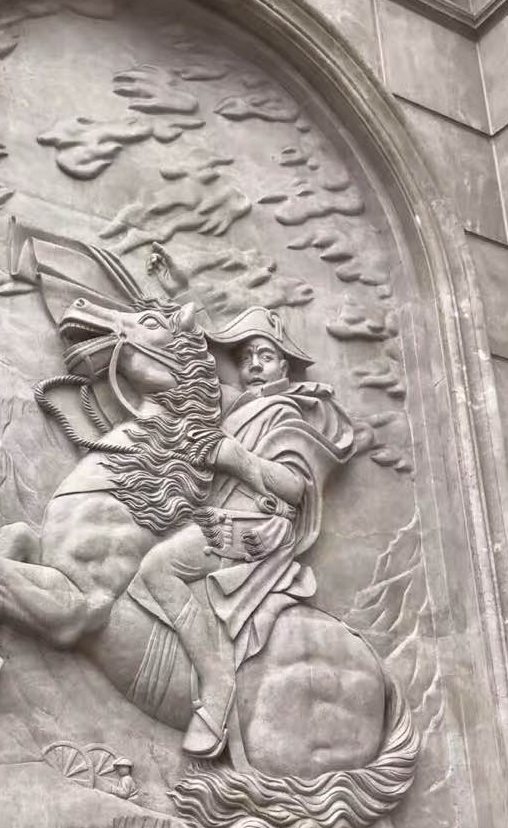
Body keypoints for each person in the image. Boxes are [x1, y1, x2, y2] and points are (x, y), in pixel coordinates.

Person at [129, 307, 356, 758]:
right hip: (215, 514)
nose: (253, 363)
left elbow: (294, 487)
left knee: (158, 567)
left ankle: (216, 685)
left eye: (265, 356)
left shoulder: (286, 414)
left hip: (252, 527)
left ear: (283, 366)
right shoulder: (238, 407)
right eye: (247, 356)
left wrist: (237, 459)